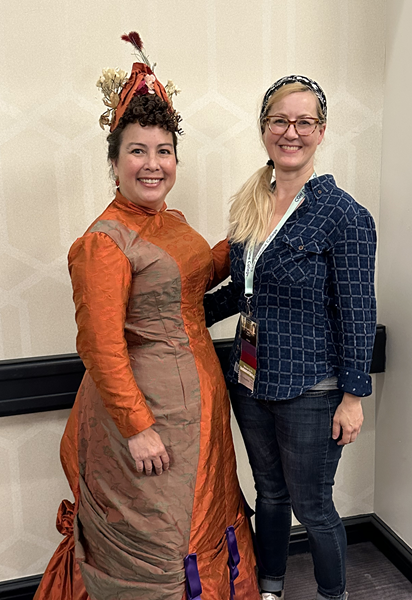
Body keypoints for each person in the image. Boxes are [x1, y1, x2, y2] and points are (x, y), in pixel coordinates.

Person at [34, 32, 260, 600]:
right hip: (146, 416)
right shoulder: (104, 243)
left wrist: (252, 233)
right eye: (137, 151)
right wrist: (137, 429)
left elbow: (193, 282)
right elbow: (101, 347)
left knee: (204, 518)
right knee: (161, 540)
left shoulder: (171, 223)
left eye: (163, 151)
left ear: (176, 160)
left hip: (199, 410)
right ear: (114, 163)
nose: (152, 164)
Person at [204, 75, 377, 600]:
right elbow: (245, 290)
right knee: (271, 494)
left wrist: (352, 397)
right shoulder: (251, 207)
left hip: (312, 387)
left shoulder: (344, 215)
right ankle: (270, 590)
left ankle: (333, 595)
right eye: (281, 120)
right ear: (264, 129)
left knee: (314, 506)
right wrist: (171, 310)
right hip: (250, 380)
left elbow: (358, 311)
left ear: (321, 132)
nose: (292, 131)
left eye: (305, 122)